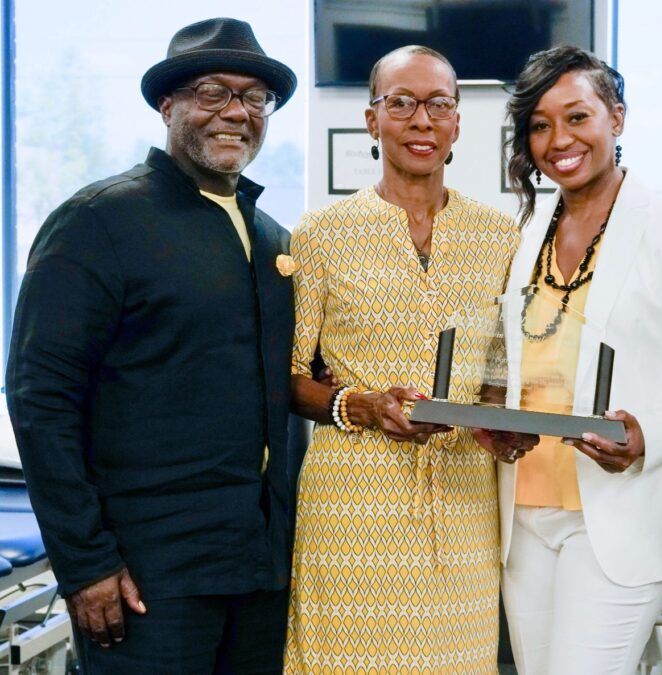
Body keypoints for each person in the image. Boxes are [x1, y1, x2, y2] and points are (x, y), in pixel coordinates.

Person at [5, 17, 299, 673]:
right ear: (169, 105)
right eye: (213, 92)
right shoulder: (99, 221)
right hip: (145, 578)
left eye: (255, 98)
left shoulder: (274, 241)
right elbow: (40, 397)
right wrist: (85, 563)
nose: (236, 111)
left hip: (258, 574)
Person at [284, 45, 520, 672]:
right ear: (372, 120)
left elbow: (498, 369)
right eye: (403, 104)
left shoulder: (499, 236)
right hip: (351, 506)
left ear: (457, 124)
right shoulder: (321, 234)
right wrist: (360, 405)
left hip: (464, 500)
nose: (422, 120)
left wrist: (498, 421)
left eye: (439, 105)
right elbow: (287, 377)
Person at [490, 45, 662, 674]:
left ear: (616, 118)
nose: (558, 139)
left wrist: (647, 435)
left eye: (577, 117)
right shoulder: (526, 230)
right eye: (539, 125)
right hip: (524, 510)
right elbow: (515, 356)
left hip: (619, 513)